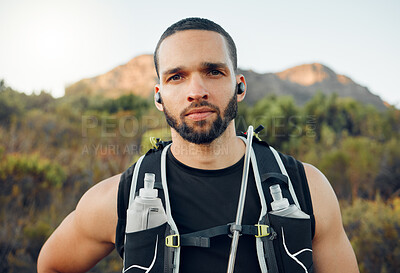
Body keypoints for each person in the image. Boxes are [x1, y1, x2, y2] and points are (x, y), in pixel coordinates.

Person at [37, 17, 359, 273]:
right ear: (159, 97)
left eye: (214, 71)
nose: (196, 90)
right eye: (176, 77)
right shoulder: (117, 199)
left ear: (240, 86)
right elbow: (51, 265)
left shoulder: (306, 189)